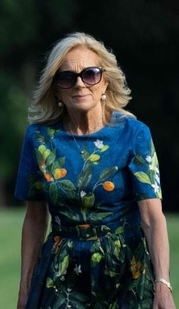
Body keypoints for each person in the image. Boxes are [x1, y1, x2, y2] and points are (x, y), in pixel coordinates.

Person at [14, 32, 176, 308]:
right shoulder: (40, 139)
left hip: (126, 270)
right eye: (67, 77)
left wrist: (163, 284)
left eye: (90, 74)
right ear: (56, 90)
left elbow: (152, 217)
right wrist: (25, 288)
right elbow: (35, 219)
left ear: (105, 83)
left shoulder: (133, 134)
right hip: (61, 272)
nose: (79, 84)